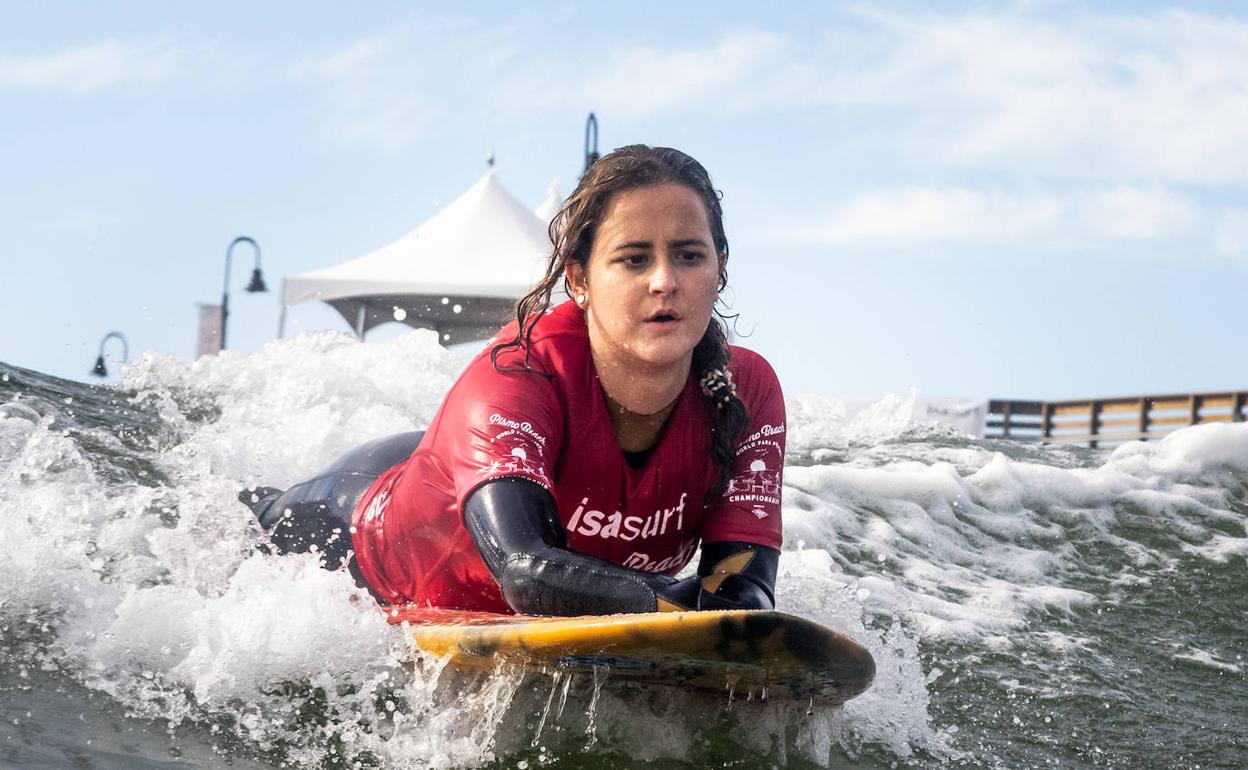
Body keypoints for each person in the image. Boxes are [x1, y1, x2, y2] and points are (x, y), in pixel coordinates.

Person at [243, 145, 786, 616]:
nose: (665, 282)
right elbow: (527, 572)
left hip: (476, 472)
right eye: (633, 259)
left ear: (719, 269)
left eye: (689, 256)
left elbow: (742, 591)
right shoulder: (518, 369)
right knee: (238, 532)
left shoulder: (746, 388)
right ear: (579, 279)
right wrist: (682, 604)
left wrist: (727, 610)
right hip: (354, 532)